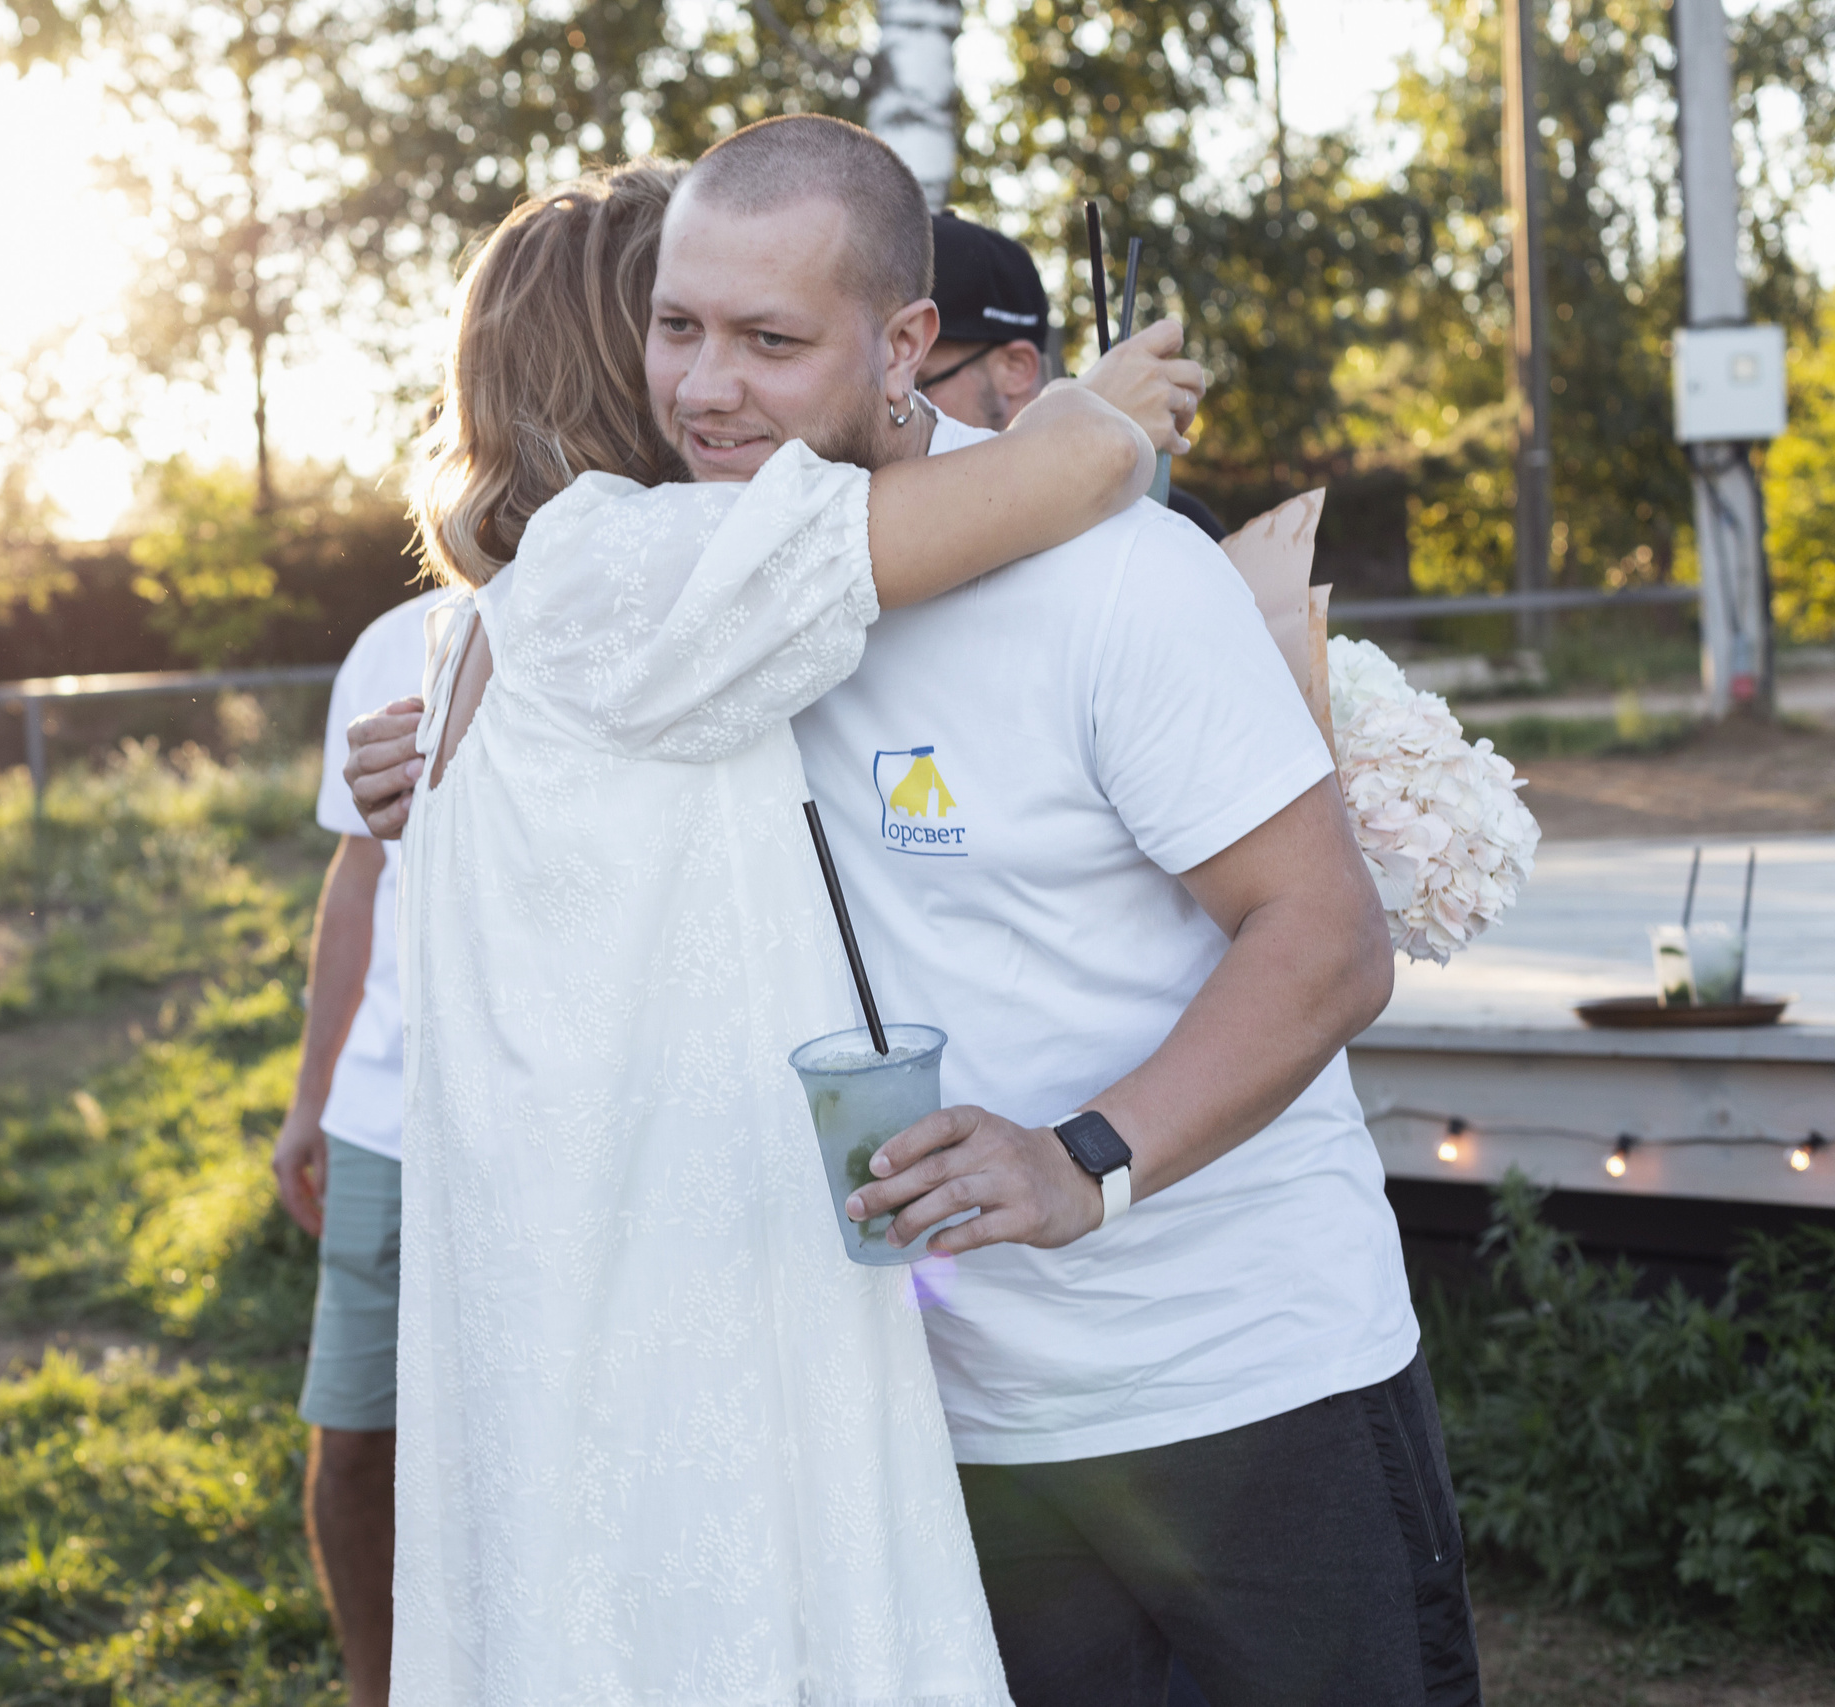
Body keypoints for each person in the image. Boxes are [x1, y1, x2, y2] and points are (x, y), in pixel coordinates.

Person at [349, 116, 1481, 1707]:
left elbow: (1324, 937)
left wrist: (1083, 1155)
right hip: (930, 1417)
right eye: (677, 329)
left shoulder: (1109, 577)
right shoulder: (704, 597)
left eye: (770, 340)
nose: (707, 387)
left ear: (905, 344)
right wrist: (447, 753)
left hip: (1235, 1375)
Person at [270, 585, 444, 1707]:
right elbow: (356, 879)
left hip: (551, 1123)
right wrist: (309, 1097)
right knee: (357, 1440)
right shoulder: (389, 638)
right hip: (384, 1117)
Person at [922, 210, 1228, 541]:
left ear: (1015, 368)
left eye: (918, 383)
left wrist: (1095, 432)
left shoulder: (1175, 525)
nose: (897, 407)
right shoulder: (901, 516)